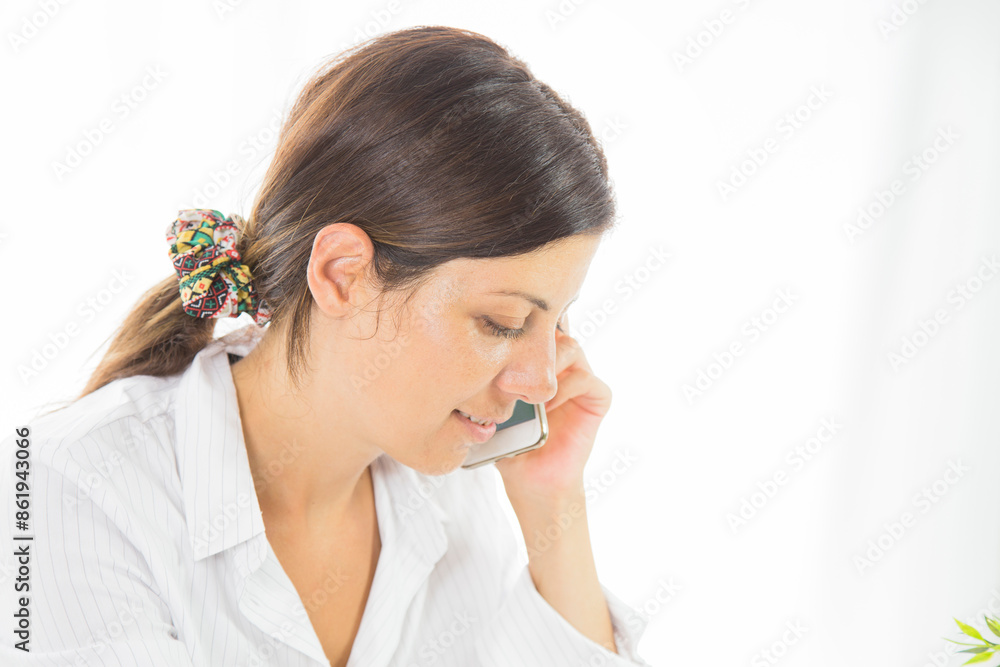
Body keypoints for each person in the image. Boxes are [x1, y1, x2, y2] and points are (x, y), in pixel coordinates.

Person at [0, 25, 653, 666]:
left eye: (559, 320)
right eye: (502, 322)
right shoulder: (64, 490)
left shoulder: (450, 494)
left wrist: (553, 505)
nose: (542, 381)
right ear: (343, 275)